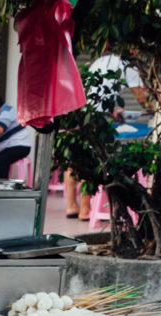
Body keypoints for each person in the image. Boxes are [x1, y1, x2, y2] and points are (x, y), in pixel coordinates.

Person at [64, 54, 149, 219]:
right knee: (89, 158)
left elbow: (95, 93)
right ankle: (85, 210)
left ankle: (72, 206)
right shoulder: (127, 65)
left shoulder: (100, 61)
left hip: (78, 110)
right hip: (94, 117)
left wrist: (112, 111)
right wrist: (157, 108)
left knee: (73, 160)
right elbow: (142, 97)